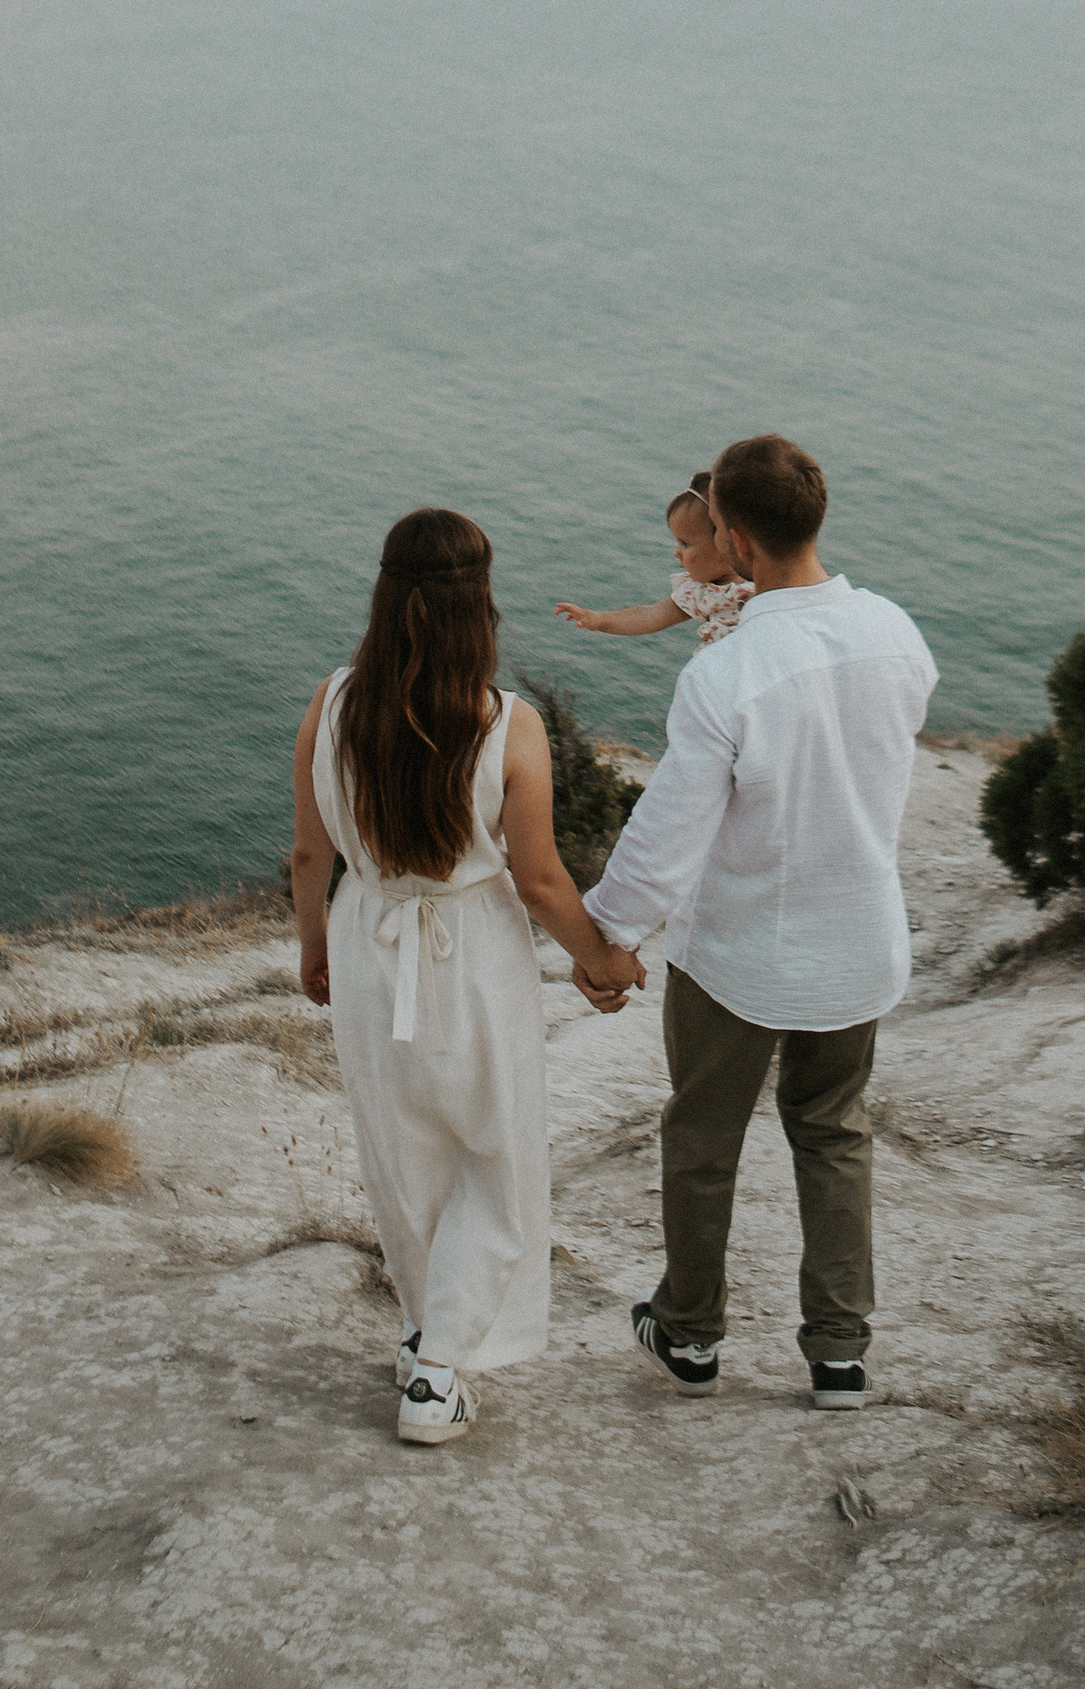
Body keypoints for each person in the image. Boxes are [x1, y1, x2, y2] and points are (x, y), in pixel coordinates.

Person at [580, 432, 936, 1409]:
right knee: (833, 1134)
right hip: (857, 943)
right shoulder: (898, 635)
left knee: (703, 1139)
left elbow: (669, 832)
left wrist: (609, 933)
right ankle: (838, 1354)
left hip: (738, 951)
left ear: (733, 540)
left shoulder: (727, 672)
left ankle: (690, 1335)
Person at [293, 505, 644, 1448]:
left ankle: (422, 1333)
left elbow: (306, 855)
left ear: (383, 590)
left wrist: (314, 949)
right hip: (470, 956)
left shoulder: (330, 703)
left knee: (401, 1152)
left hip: (370, 946)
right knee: (495, 1155)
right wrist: (600, 959)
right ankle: (439, 1368)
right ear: (479, 601)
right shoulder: (506, 725)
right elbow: (537, 878)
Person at [553, 468, 753, 651]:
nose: (677, 553)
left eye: (686, 544)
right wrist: (599, 620)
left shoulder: (762, 584)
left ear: (727, 542)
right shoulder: (699, 592)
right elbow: (650, 616)